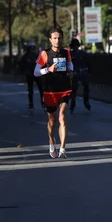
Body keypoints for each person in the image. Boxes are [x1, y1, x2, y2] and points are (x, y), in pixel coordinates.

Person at [34, 27, 73, 159]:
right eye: (55, 38)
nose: (57, 40)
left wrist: (70, 69)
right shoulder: (44, 54)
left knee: (62, 116)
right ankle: (51, 141)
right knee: (52, 120)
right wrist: (48, 69)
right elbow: (36, 72)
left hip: (64, 89)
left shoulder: (66, 52)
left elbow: (70, 65)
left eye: (59, 38)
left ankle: (63, 149)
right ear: (50, 40)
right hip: (50, 91)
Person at [19, 43, 44, 114]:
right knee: (30, 91)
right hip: (30, 75)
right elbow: (21, 65)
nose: (32, 49)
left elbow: (43, 64)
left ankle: (43, 103)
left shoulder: (38, 56)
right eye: (31, 48)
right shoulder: (25, 57)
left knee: (41, 90)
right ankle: (31, 105)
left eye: (33, 48)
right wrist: (25, 72)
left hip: (37, 74)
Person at [69, 38, 91, 113]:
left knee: (86, 86)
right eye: (73, 46)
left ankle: (86, 102)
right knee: (74, 89)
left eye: (76, 46)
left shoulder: (83, 53)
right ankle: (73, 102)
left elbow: (89, 62)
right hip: (75, 73)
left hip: (83, 71)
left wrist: (88, 70)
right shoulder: (70, 54)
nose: (75, 47)